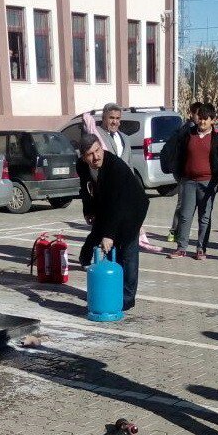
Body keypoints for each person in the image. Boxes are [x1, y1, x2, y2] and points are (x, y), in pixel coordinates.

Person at [77, 133, 149, 311]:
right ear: (83, 157)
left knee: (127, 253)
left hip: (131, 208)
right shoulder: (82, 166)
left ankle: (127, 299)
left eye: (98, 150)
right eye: (90, 154)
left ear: (101, 148)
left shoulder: (115, 167)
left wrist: (109, 235)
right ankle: (111, 292)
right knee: (107, 254)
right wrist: (88, 210)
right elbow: (85, 189)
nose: (96, 157)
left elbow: (118, 204)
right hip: (107, 208)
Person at [167, 103, 218, 260]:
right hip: (188, 181)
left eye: (206, 119)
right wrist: (179, 175)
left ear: (212, 120)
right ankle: (181, 248)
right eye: (201, 119)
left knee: (204, 217)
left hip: (208, 183)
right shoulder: (188, 134)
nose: (202, 122)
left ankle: (201, 249)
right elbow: (178, 155)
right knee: (185, 215)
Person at [166, 101, 202, 243]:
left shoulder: (197, 129)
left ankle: (180, 231)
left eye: (201, 114)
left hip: (191, 173)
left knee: (187, 204)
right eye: (197, 114)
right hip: (184, 173)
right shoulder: (187, 129)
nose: (199, 117)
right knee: (183, 203)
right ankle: (174, 231)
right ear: (191, 114)